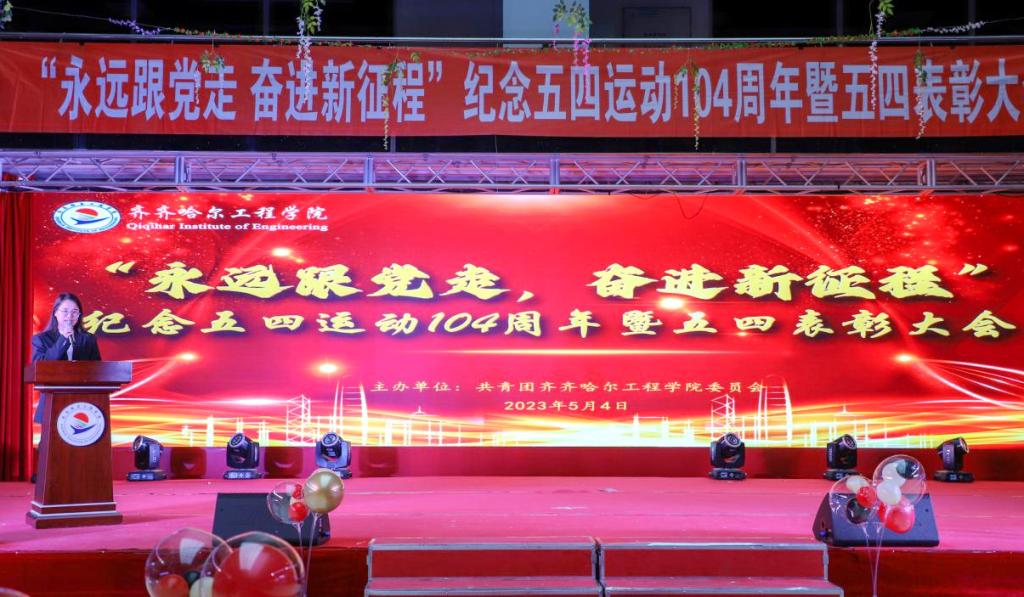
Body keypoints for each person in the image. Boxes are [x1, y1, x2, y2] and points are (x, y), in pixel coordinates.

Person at [30, 292, 102, 424]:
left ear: (79, 315)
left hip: (82, 405)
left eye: (75, 312)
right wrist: (63, 338)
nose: (70, 316)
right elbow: (40, 368)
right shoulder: (40, 339)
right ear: (55, 313)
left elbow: (97, 371)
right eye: (65, 311)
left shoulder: (88, 339)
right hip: (52, 402)